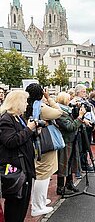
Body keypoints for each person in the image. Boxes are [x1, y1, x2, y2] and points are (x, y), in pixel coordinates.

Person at [25, 83, 63, 217]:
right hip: (44, 145)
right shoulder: (41, 107)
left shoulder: (28, 106)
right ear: (41, 93)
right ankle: (37, 206)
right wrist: (50, 98)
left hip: (35, 144)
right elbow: (59, 112)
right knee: (43, 174)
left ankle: (37, 201)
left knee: (38, 174)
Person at [0, 90, 37, 222]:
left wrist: (33, 131)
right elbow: (10, 141)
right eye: (25, 101)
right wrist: (29, 129)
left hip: (24, 166)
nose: (27, 104)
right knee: (15, 206)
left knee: (22, 205)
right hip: (16, 169)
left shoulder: (18, 117)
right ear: (17, 102)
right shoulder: (6, 119)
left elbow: (23, 136)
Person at [55, 92, 88, 195]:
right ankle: (60, 187)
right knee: (63, 163)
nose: (70, 101)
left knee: (70, 162)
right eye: (69, 99)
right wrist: (80, 117)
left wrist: (79, 114)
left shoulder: (67, 110)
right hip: (65, 140)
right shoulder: (59, 113)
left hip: (72, 139)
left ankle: (69, 183)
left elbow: (74, 122)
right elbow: (70, 127)